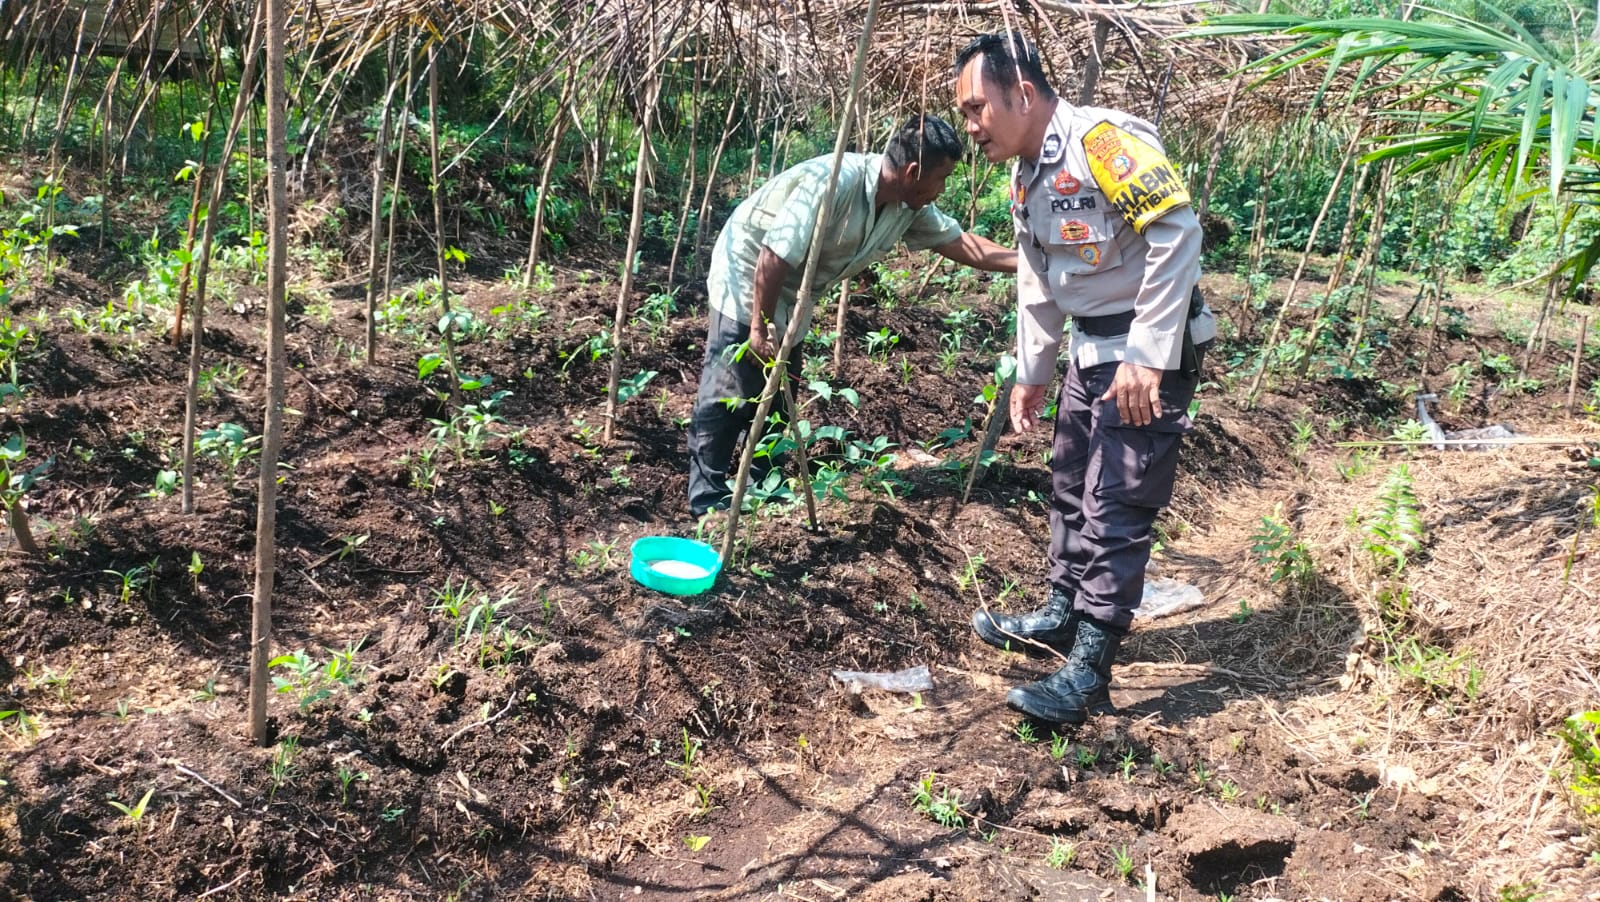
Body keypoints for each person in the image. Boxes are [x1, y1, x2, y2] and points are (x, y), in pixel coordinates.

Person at [953, 33, 1215, 724]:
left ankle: (1092, 669)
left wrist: (1148, 354)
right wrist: (1033, 371)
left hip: (1142, 354)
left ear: (1024, 95)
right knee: (1069, 483)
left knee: (1117, 504)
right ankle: (1064, 615)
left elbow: (1177, 233)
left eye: (978, 109)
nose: (972, 126)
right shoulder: (1027, 173)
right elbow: (1038, 274)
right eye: (965, 113)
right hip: (1090, 351)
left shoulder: (1104, 145)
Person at [687, 115, 1017, 518]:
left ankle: (763, 489)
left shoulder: (907, 206)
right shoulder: (835, 182)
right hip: (750, 268)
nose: (942, 190)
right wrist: (758, 325)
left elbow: (963, 244)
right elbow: (772, 256)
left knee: (780, 387)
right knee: (732, 383)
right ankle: (707, 500)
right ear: (913, 172)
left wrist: (1028, 263)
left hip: (797, 289)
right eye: (942, 178)